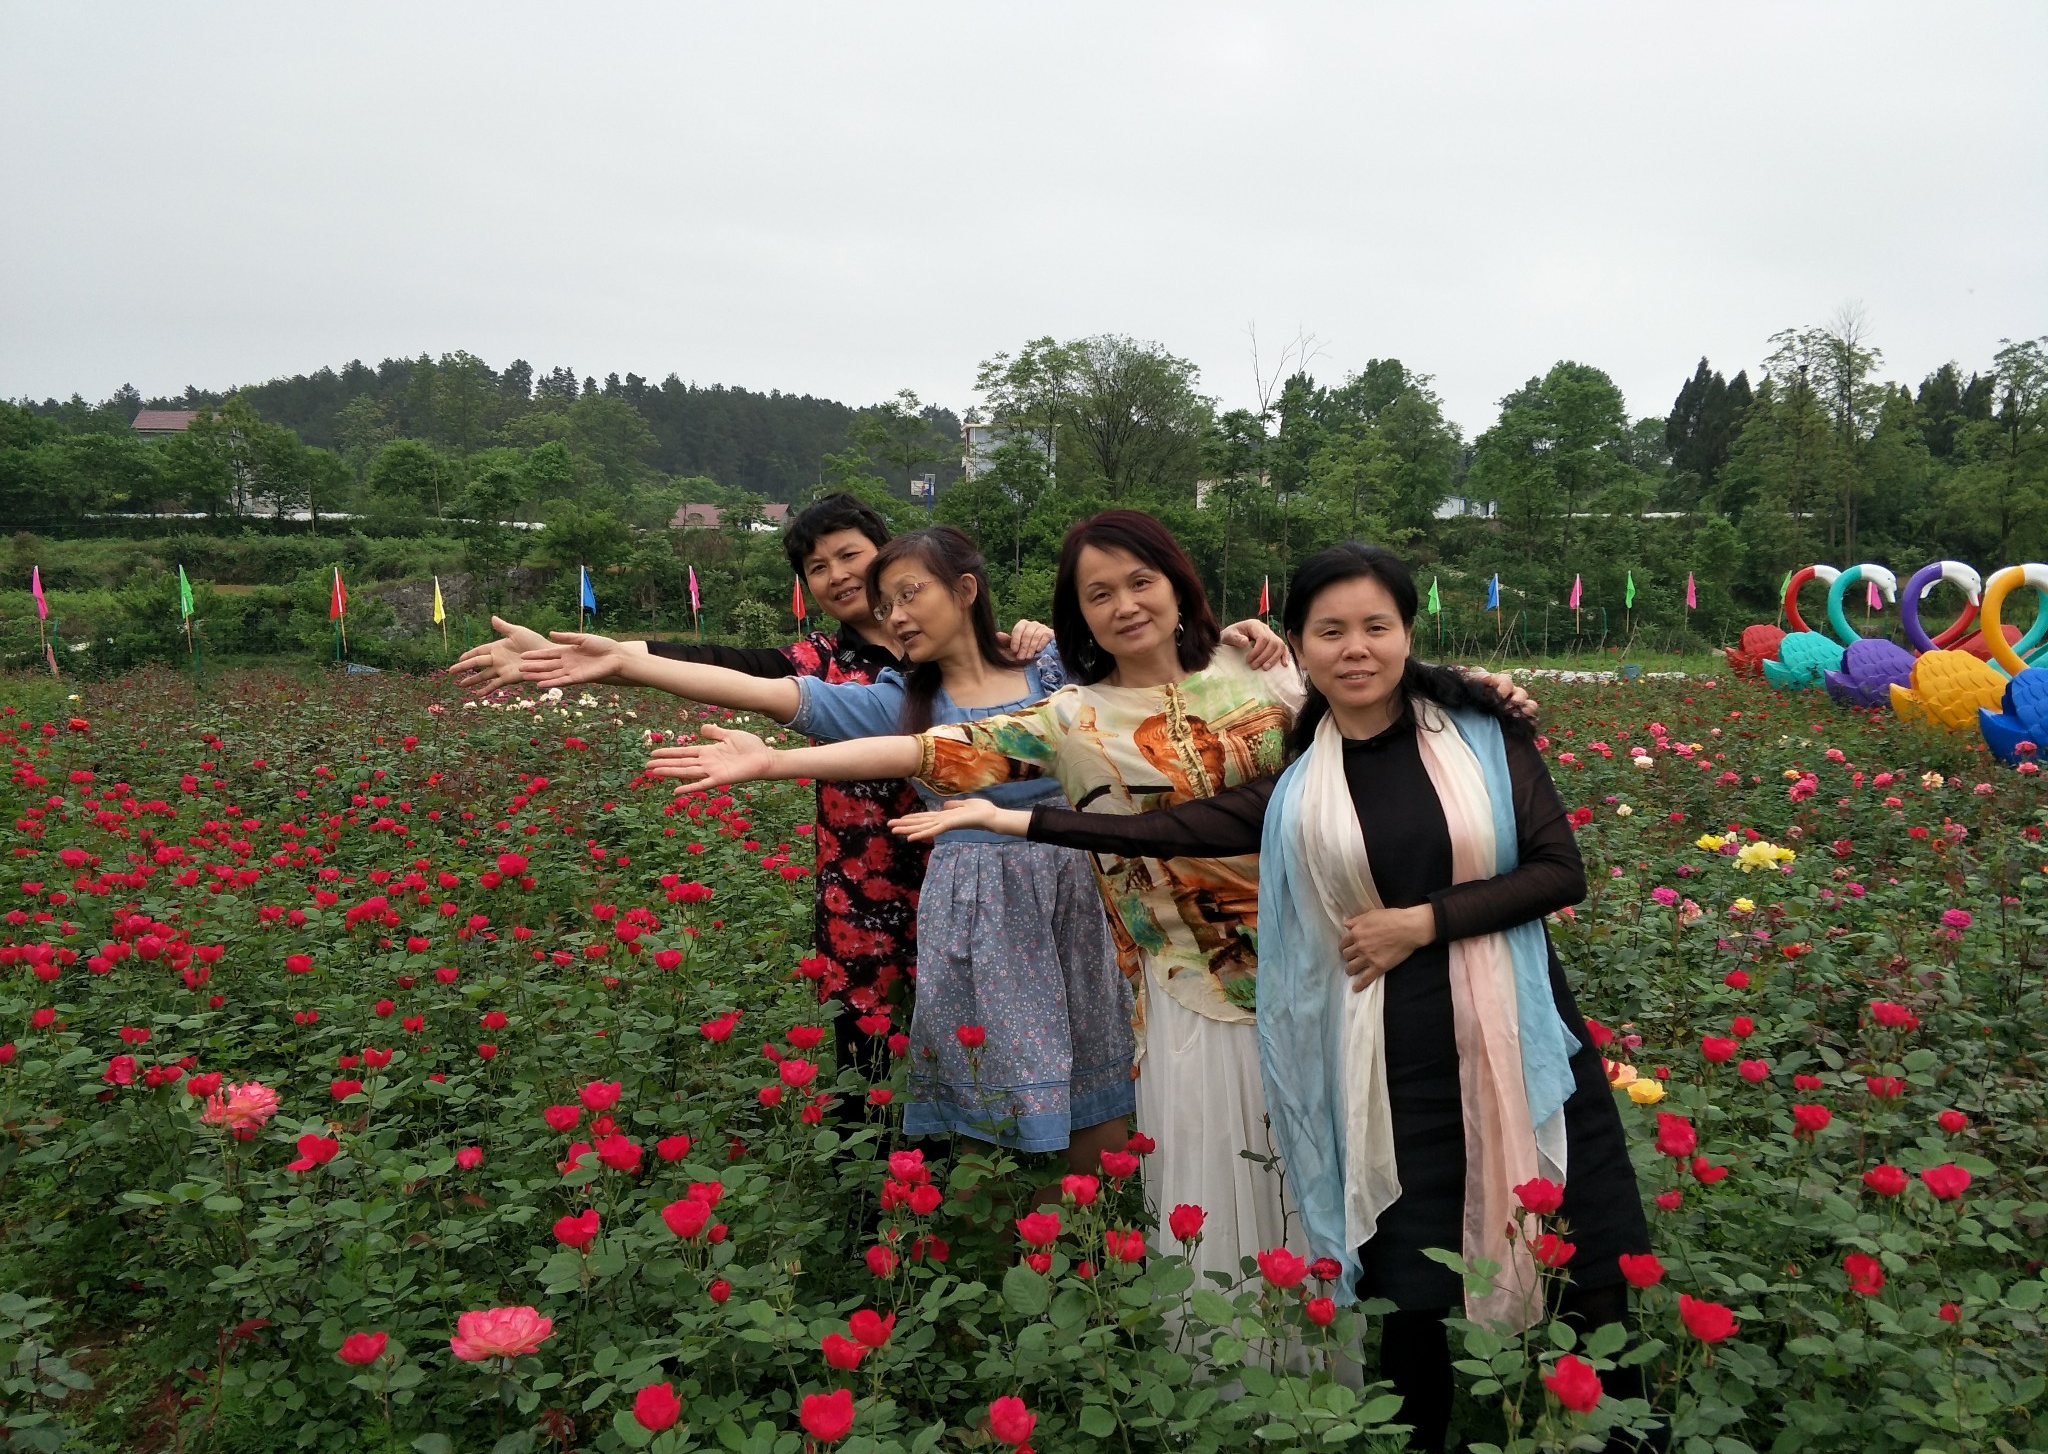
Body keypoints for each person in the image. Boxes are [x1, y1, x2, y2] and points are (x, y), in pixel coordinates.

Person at [895, 543, 1652, 1454]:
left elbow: (1556, 870)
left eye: (1377, 626)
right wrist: (1008, 817)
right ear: (1295, 647)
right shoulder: (1300, 777)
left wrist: (1421, 923)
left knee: (1585, 1242)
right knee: (1412, 1274)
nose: (1356, 649)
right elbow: (1167, 829)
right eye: (1329, 631)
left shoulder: (1483, 732)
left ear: (1408, 633)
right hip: (1386, 1051)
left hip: (1522, 1036)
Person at [639, 513, 1536, 1300]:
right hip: (1193, 989)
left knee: (1349, 1171)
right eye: (1098, 593)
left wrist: (1480, 697)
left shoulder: (1262, 668)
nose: (1124, 603)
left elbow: (1372, 680)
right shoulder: (1070, 717)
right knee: (1226, 1188)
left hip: (1334, 964)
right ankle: (1235, 1379)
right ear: (1080, 616)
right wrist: (771, 762)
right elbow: (924, 748)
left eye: (1139, 580)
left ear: (1176, 585)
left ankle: (1359, 1349)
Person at [516, 525, 1139, 1176]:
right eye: (885, 607)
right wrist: (626, 663)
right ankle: (1014, 1253)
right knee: (990, 1110)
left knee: (1094, 1095)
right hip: (979, 911)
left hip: (1075, 893)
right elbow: (773, 690)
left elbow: (1166, 669)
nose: (894, 617)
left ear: (964, 590)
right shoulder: (904, 703)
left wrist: (1254, 644)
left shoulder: (1052, 667)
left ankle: (1092, 1250)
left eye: (908, 594)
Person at [449, 495, 1048, 1081]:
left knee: (988, 1035)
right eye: (817, 568)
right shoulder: (818, 663)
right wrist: (569, 653)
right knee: (864, 1054)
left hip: (981, 873)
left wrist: (1034, 640)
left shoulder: (990, 655)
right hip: (865, 880)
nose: (837, 576)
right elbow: (711, 663)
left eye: (849, 555)